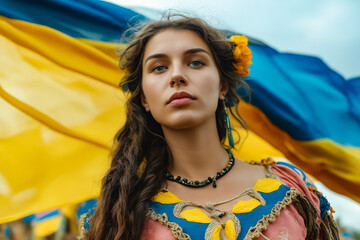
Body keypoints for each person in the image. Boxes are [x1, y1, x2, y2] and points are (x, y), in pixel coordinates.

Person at [79, 14, 339, 240]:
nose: (177, 76)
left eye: (195, 62)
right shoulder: (119, 214)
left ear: (222, 86)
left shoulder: (291, 187)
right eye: (159, 67)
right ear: (145, 99)